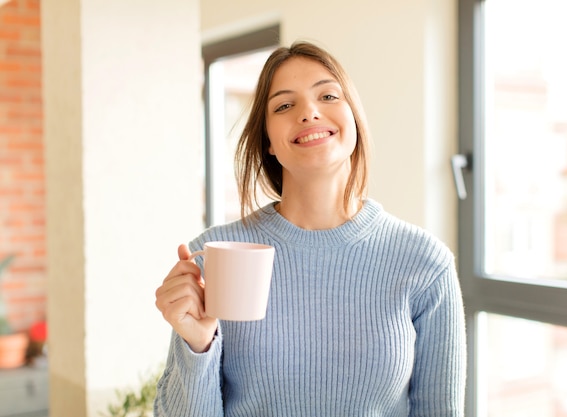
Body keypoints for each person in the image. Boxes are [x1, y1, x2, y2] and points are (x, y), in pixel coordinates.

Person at [154, 40, 466, 417]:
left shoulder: (425, 263)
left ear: (353, 118)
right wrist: (198, 345)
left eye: (328, 96)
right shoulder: (214, 256)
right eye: (285, 105)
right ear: (267, 141)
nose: (309, 112)